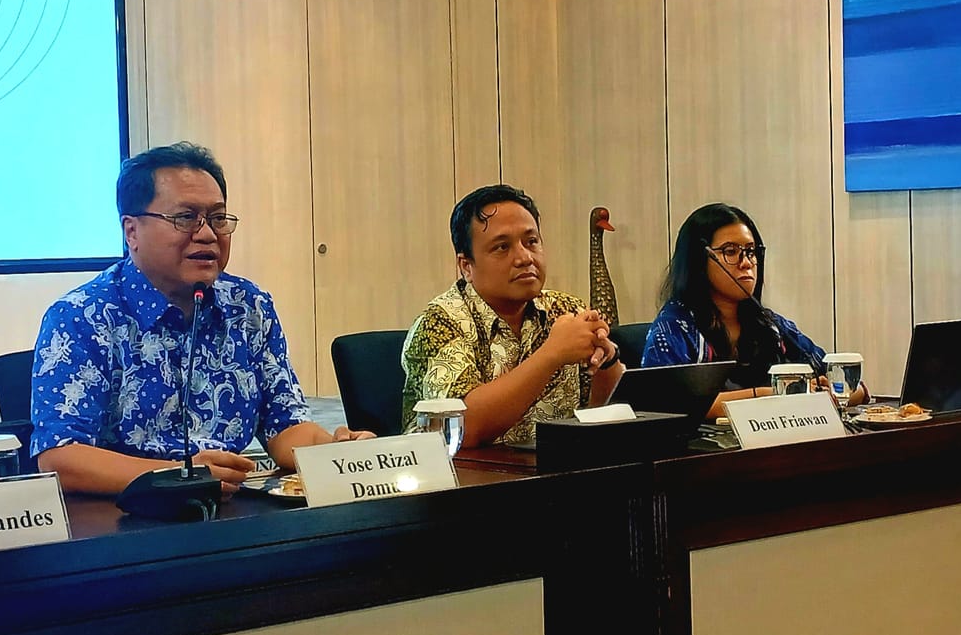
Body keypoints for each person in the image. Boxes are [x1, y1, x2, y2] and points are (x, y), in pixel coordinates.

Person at [31, 142, 370, 497]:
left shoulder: (248, 306)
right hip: (126, 512)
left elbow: (286, 426)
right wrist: (181, 476)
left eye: (218, 218)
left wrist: (335, 450)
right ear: (131, 231)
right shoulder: (82, 317)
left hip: (232, 507)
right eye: (185, 218)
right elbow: (60, 457)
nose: (207, 234)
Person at [402, 184, 623, 449]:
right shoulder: (439, 322)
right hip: (464, 472)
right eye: (502, 247)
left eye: (531, 242)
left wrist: (608, 359)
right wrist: (552, 354)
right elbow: (462, 430)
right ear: (466, 266)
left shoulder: (566, 309)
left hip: (551, 467)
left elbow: (596, 411)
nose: (524, 258)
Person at [641, 202, 863, 415]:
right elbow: (668, 404)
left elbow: (855, 389)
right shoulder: (674, 327)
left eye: (750, 251)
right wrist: (769, 396)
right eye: (730, 251)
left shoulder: (771, 325)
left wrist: (828, 394)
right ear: (698, 261)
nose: (746, 262)